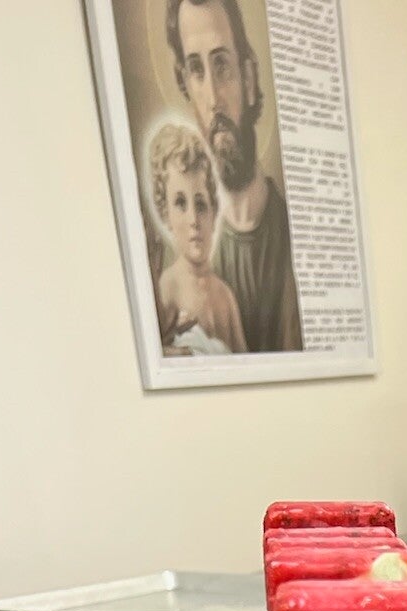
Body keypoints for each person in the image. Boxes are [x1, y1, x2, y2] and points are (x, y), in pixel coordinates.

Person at [164, 0, 301, 353]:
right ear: (185, 85)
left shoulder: (292, 234)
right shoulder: (185, 258)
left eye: (222, 66)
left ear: (249, 78)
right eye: (197, 71)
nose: (214, 99)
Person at [147, 122, 247, 354]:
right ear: (165, 213)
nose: (194, 219)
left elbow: (245, 360)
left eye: (201, 205)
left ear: (214, 211)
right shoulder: (167, 289)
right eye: (180, 203)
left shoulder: (225, 296)